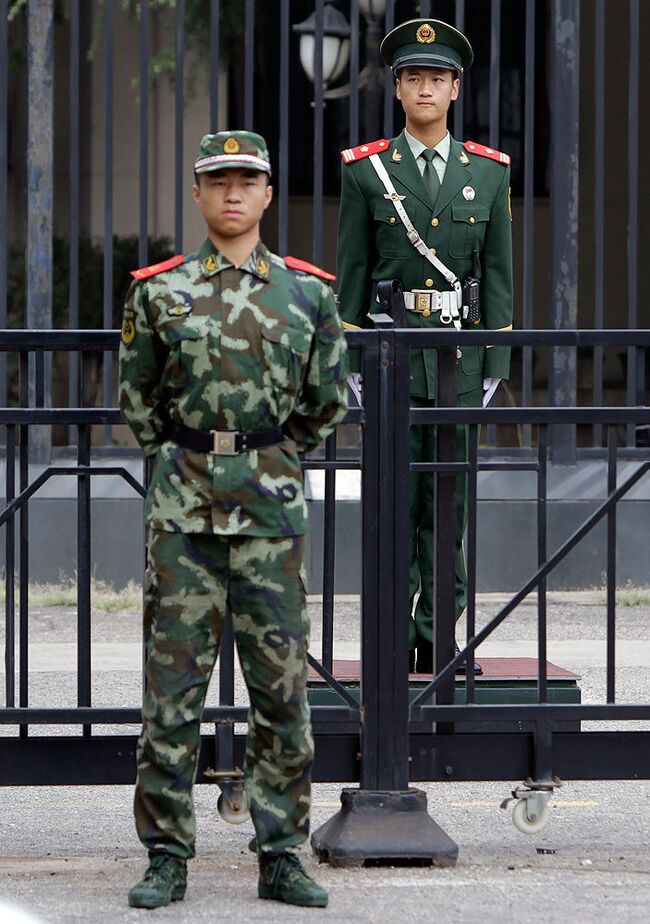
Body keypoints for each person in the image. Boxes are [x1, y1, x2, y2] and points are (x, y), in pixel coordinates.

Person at [119, 130, 348, 909]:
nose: (232, 194)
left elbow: (324, 404)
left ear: (268, 193)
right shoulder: (158, 291)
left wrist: (262, 459)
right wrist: (189, 458)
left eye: (247, 180)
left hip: (269, 516)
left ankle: (281, 852)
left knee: (282, 694)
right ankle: (166, 855)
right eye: (218, 181)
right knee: (171, 695)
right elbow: (139, 402)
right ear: (198, 194)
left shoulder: (308, 293)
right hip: (182, 517)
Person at [337, 19, 513, 674]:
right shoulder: (366, 171)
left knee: (449, 508)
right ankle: (388, 638)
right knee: (393, 506)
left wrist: (495, 364)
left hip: (460, 363)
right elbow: (350, 275)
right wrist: (352, 361)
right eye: (414, 77)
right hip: (389, 359)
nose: (426, 88)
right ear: (397, 88)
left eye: (437, 78)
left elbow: (498, 277)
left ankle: (437, 637)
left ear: (456, 89)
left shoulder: (489, 175)